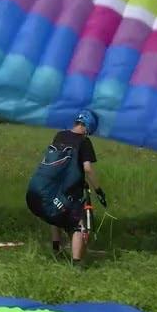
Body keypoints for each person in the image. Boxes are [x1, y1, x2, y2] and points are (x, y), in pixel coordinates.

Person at [25, 108, 108, 267]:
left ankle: (57, 248)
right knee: (77, 222)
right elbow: (87, 168)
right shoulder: (84, 142)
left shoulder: (60, 135)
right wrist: (99, 191)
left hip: (33, 195)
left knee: (59, 205)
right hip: (49, 202)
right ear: (87, 126)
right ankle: (77, 265)